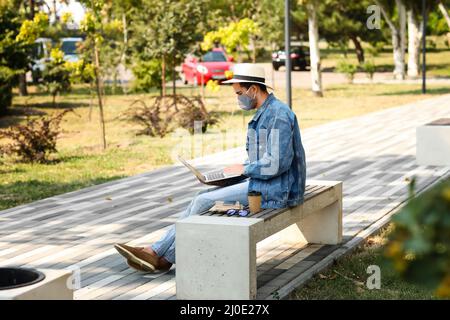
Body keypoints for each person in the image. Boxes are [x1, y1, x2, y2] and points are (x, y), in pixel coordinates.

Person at [114, 63, 306, 272]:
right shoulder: (265, 113)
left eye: (239, 92)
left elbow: (277, 163)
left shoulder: (278, 115)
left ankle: (157, 254)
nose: (238, 98)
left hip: (278, 190)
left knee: (203, 200)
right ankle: (160, 255)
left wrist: (244, 170)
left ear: (253, 89)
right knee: (203, 195)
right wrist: (231, 174)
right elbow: (265, 160)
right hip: (265, 183)